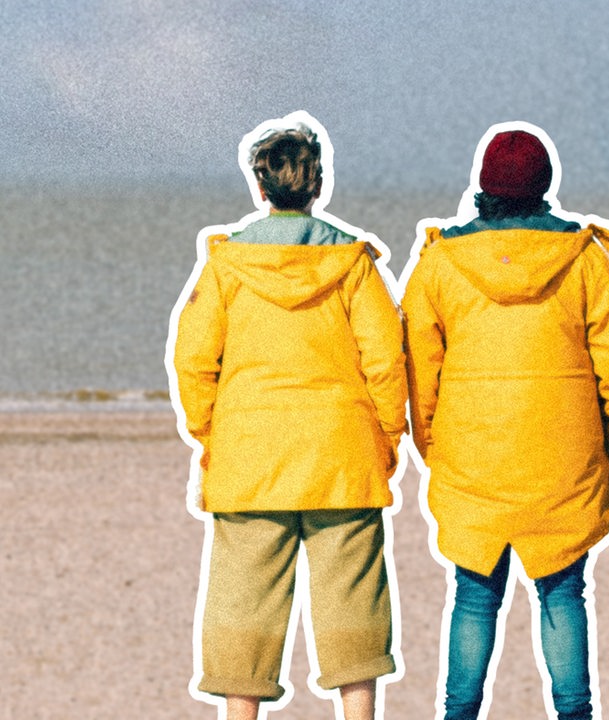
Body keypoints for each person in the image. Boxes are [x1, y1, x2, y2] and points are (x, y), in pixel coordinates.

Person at [400, 125, 609, 720]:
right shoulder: (587, 260)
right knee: (563, 593)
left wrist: (432, 446)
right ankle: (575, 714)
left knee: (473, 596)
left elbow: (417, 372)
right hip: (564, 458)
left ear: (483, 186)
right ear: (545, 186)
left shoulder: (441, 263)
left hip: (474, 455)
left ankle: (458, 715)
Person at [169, 115, 407, 720]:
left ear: (260, 186)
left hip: (250, 450)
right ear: (318, 183)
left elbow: (193, 360)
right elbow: (385, 361)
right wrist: (386, 437)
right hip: (341, 448)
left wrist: (209, 433)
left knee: (244, 600)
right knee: (353, 598)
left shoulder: (226, 264)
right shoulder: (354, 262)